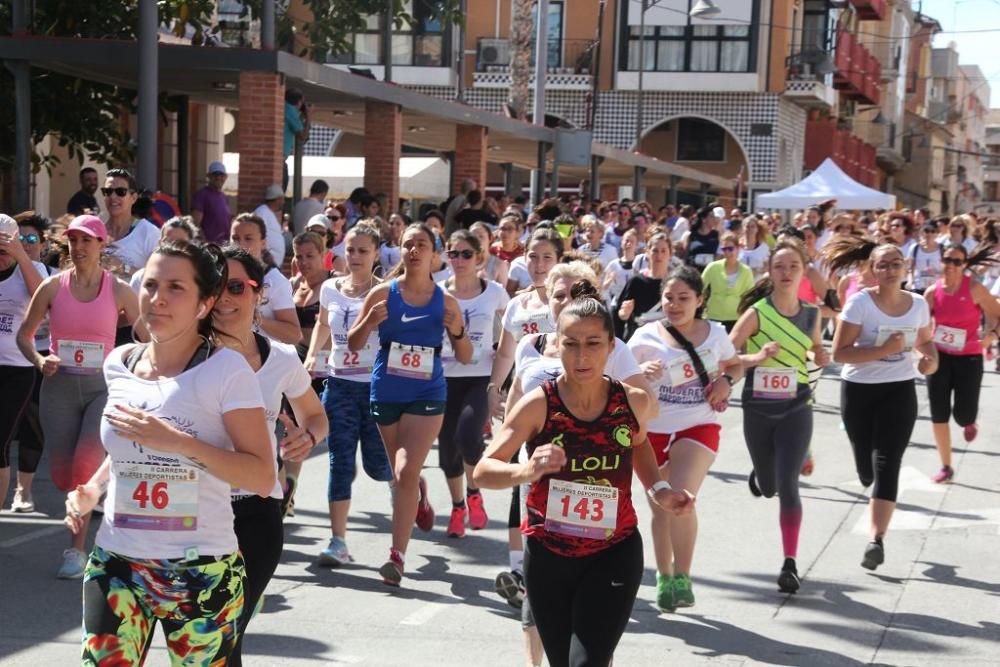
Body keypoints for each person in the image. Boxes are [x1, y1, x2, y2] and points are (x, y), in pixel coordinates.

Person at [62, 239, 275, 666]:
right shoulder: (119, 363)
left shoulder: (226, 371)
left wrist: (177, 442)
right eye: (151, 284)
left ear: (204, 303)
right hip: (118, 561)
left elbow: (261, 476)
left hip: (201, 571)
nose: (157, 299)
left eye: (176, 288)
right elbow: (127, 445)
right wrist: (94, 489)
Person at [473, 297, 694, 667]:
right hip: (548, 555)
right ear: (557, 344)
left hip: (614, 550)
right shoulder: (538, 405)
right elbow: (483, 470)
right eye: (571, 343)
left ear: (611, 347)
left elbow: (638, 445)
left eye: (593, 343)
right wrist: (526, 472)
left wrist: (659, 491)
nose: (581, 355)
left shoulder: (632, 402)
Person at [215, 245, 327, 665]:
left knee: (229, 637)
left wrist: (307, 438)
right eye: (217, 287)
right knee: (212, 640)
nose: (225, 297)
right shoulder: (188, 354)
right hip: (196, 514)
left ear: (260, 294)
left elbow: (315, 415)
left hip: (257, 512)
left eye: (237, 287)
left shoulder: (279, 359)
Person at [347, 223, 472, 585]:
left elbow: (465, 356)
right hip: (386, 390)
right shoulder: (382, 295)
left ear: (435, 255)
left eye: (422, 245)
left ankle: (396, 557)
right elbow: (353, 344)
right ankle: (418, 492)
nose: (414, 250)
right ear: (399, 252)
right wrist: (369, 322)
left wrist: (459, 332)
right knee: (402, 474)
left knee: (403, 471)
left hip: (426, 394)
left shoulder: (445, 302)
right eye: (407, 245)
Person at [16, 215, 139, 579]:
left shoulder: (117, 289)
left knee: (85, 464)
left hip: (103, 390)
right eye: (73, 240)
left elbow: (148, 335)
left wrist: (135, 362)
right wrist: (41, 360)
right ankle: (104, 488)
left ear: (101, 245)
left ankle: (77, 550)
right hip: (59, 389)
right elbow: (25, 336)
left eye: (87, 240)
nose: (79, 247)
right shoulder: (53, 287)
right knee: (62, 475)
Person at [628, 266, 742, 610]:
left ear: (699, 300)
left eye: (683, 298)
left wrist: (725, 382)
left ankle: (683, 575)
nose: (675, 305)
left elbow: (734, 365)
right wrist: (641, 375)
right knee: (661, 509)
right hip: (651, 433)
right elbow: (617, 378)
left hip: (697, 426)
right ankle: (664, 575)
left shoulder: (716, 334)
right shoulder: (644, 337)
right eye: (669, 297)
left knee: (681, 498)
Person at [824, 237, 938, 571]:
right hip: (859, 389)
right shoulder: (860, 303)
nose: (890, 269)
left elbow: (926, 343)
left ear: (906, 268)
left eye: (896, 263)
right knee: (865, 464)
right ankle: (864, 470)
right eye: (883, 264)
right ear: (873, 270)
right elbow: (839, 353)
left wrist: (929, 361)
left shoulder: (917, 305)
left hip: (899, 390)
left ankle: (876, 539)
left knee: (888, 464)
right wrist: (882, 350)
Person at [729, 239, 830, 594]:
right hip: (758, 406)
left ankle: (790, 563)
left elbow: (816, 349)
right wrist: (756, 358)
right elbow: (728, 355)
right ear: (769, 272)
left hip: (797, 405)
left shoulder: (812, 314)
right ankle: (761, 476)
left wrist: (821, 355)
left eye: (793, 266)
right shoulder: (757, 312)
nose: (786, 273)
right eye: (780, 267)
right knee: (770, 486)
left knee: (788, 485)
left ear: (803, 272)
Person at [306, 222, 394, 565]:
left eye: (362, 251)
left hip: (375, 387)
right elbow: (323, 324)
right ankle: (338, 542)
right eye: (350, 249)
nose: (354, 256)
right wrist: (314, 352)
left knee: (376, 466)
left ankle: (405, 486)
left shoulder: (386, 291)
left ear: (375, 254)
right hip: (339, 383)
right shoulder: (330, 288)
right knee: (339, 461)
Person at [437, 230, 510, 537]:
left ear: (480, 257)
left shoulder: (494, 292)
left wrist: (503, 368)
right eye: (453, 253)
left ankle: (473, 494)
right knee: (446, 453)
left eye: (466, 254)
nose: (459, 260)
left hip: (479, 376)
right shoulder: (437, 290)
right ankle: (457, 507)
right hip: (441, 378)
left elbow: (513, 330)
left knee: (468, 436)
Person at [922, 244, 1000, 482]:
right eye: (948, 260)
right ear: (941, 261)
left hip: (969, 357)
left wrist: (992, 335)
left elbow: (996, 314)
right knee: (939, 414)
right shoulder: (931, 292)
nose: (952, 265)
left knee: (963, 415)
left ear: (965, 265)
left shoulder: (975, 289)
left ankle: (969, 422)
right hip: (940, 357)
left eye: (957, 261)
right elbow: (921, 326)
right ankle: (946, 466)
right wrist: (922, 350)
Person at [488, 228, 564, 418]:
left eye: (547, 257)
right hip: (523, 399)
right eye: (533, 256)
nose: (539, 264)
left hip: (564, 401)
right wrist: (493, 389)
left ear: (559, 260)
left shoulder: (570, 302)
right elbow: (505, 354)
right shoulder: (516, 305)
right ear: (524, 258)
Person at [0, 216, 45, 510]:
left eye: (4, 251)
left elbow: (42, 298)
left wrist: (20, 256)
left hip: (17, 369)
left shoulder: (33, 269)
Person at [230, 213, 302, 345]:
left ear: (263, 243)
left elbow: (294, 335)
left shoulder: (275, 281)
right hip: (231, 359)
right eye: (235, 238)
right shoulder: (222, 277)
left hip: (267, 361)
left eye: (248, 238)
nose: (240, 244)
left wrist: (254, 317)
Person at [100, 168, 161, 282]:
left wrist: (123, 267)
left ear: (133, 198)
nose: (113, 197)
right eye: (108, 192)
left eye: (120, 192)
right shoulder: (95, 233)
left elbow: (158, 279)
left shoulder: (148, 232)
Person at [615, 232, 673, 340]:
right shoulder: (636, 282)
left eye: (663, 251)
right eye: (655, 250)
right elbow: (619, 316)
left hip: (667, 342)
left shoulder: (675, 284)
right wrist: (624, 314)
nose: (659, 255)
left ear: (670, 254)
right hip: (639, 341)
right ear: (647, 252)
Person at [128, 216, 199, 293]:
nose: (173, 248)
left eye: (180, 243)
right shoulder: (140, 279)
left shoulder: (199, 282)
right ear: (159, 244)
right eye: (168, 242)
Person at [701, 232, 754, 332]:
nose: (727, 252)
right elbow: (699, 289)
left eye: (730, 249)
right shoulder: (712, 267)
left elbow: (750, 297)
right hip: (713, 317)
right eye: (724, 249)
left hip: (736, 319)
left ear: (738, 248)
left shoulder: (747, 271)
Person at [190, 161, 232, 244]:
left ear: (226, 177)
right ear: (208, 176)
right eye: (215, 174)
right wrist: (205, 243)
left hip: (224, 246)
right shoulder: (201, 195)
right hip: (209, 247)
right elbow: (195, 223)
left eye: (221, 174)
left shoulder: (224, 197)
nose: (218, 177)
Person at [253, 184, 288, 265]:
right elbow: (259, 234)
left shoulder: (268, 212)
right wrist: (265, 254)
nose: (283, 202)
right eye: (282, 199)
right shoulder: (262, 212)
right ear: (277, 199)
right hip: (266, 263)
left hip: (272, 264)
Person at [284, 89, 309, 191]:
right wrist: (308, 116)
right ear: (299, 102)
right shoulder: (290, 110)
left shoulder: (284, 108)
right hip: (280, 158)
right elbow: (303, 136)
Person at [908, 223, 943, 294]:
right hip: (918, 287)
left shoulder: (942, 248)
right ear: (921, 233)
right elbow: (910, 269)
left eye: (933, 231)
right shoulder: (915, 248)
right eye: (926, 231)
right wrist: (911, 282)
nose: (929, 234)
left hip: (936, 288)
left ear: (937, 234)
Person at [471, 221, 509, 287]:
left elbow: (501, 295)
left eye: (481, 236)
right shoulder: (463, 262)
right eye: (473, 237)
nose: (477, 240)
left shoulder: (499, 265)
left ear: (490, 238)